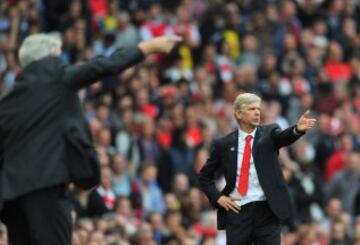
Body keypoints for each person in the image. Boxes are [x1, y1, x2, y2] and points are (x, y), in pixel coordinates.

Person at [0, 33, 181, 245]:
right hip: (46, 186)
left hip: (13, 196)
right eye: (58, 55)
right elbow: (105, 65)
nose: (62, 61)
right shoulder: (56, 76)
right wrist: (149, 46)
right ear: (47, 57)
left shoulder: (8, 99)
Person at [198, 93, 316, 244]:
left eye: (258, 109)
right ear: (239, 113)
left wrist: (296, 130)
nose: (257, 112)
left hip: (266, 210)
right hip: (237, 211)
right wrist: (218, 198)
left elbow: (282, 138)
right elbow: (204, 176)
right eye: (252, 109)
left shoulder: (269, 133)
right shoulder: (224, 144)